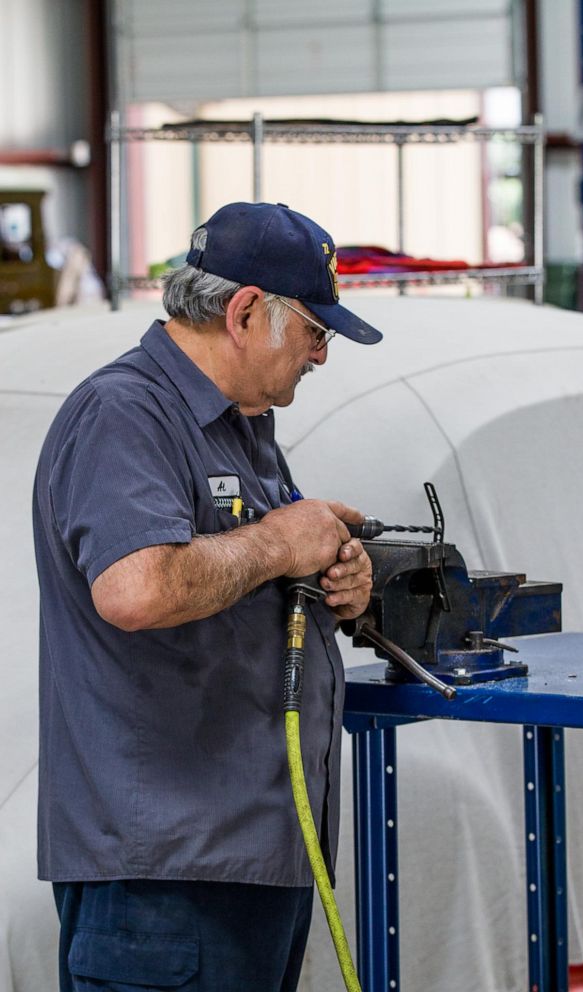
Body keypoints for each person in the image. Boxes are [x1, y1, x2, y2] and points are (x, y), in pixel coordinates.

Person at [33, 201, 383, 992]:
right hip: (163, 877)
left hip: (246, 857)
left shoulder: (238, 428)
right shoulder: (124, 414)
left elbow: (247, 576)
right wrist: (278, 541)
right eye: (315, 333)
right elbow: (136, 589)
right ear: (245, 310)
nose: (320, 356)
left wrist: (333, 581)